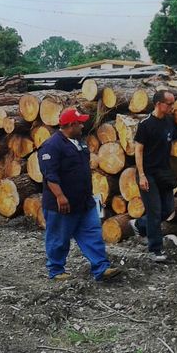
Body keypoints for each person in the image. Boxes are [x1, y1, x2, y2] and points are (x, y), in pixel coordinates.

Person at [37, 108, 121, 282]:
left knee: (93, 234)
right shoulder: (51, 146)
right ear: (70, 125)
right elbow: (50, 175)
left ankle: (101, 268)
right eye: (79, 123)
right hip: (62, 204)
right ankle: (56, 270)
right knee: (59, 238)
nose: (83, 126)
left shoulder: (79, 143)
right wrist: (60, 196)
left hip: (84, 201)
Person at [134, 90, 177, 261]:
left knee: (167, 209)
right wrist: (141, 175)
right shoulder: (146, 124)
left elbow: (172, 146)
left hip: (164, 173)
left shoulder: (170, 122)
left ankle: (139, 224)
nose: (172, 107)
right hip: (148, 174)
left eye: (173, 103)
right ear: (158, 104)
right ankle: (155, 249)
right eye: (169, 104)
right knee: (154, 211)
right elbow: (138, 150)